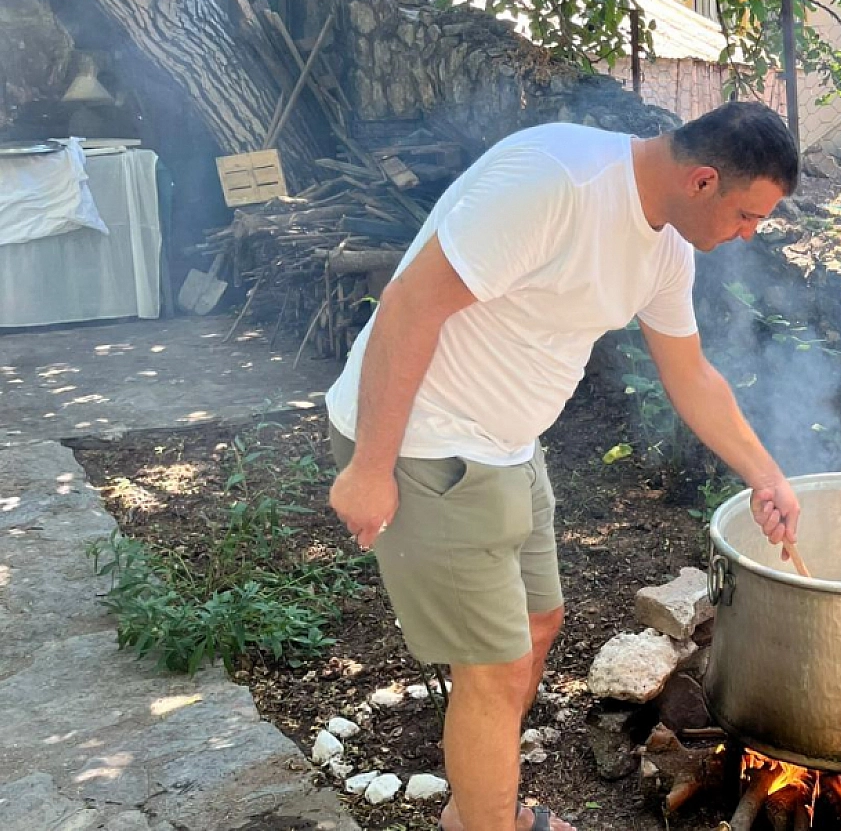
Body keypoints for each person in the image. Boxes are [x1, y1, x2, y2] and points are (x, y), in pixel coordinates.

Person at [325, 101, 803, 831]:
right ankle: (488, 821)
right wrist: (370, 465)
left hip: (509, 444)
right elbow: (409, 304)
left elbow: (692, 375)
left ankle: (476, 806)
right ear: (703, 180)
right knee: (491, 667)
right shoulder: (559, 182)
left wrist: (767, 476)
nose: (749, 234)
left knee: (538, 622)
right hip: (428, 441)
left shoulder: (665, 246)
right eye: (748, 215)